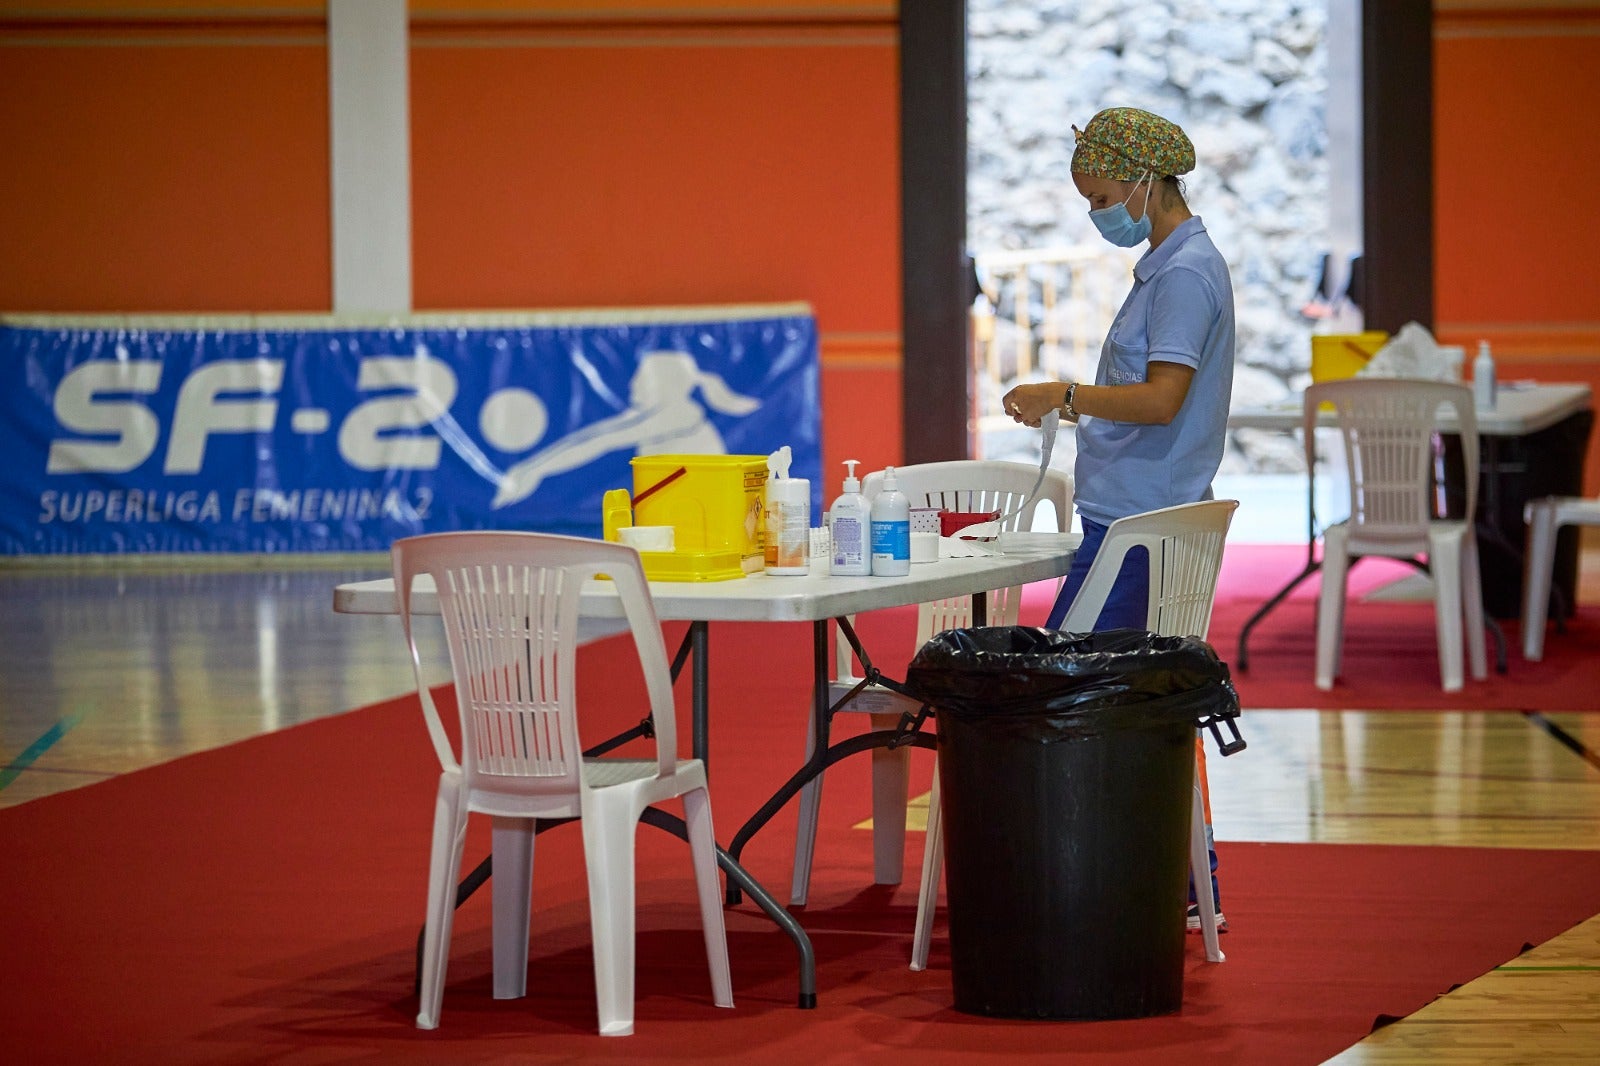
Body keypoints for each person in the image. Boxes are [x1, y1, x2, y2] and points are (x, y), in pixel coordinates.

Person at [1001, 106, 1235, 931]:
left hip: (1136, 530)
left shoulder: (1182, 277)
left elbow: (1162, 399)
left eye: (1099, 195)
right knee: (1142, 704)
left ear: (1145, 181)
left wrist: (1061, 394)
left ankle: (1094, 878)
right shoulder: (1171, 267)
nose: (1096, 212)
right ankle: (1175, 878)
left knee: (1073, 699)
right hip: (1135, 518)